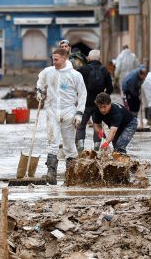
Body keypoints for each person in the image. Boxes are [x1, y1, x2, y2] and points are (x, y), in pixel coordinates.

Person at [35, 47, 87, 183]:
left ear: (64, 59)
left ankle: (72, 175)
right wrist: (39, 91)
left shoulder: (75, 75)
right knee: (52, 142)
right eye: (53, 59)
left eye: (56, 59)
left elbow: (82, 94)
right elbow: (40, 81)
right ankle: (51, 174)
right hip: (52, 110)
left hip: (69, 111)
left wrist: (79, 113)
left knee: (69, 144)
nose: (54, 62)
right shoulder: (48, 72)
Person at [76, 49, 113, 152]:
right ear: (99, 58)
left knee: (81, 125)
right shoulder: (105, 70)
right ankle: (96, 147)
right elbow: (110, 88)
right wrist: (103, 98)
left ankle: (80, 147)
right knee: (97, 125)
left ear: (89, 58)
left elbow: (75, 84)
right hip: (99, 104)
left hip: (84, 102)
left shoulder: (83, 69)